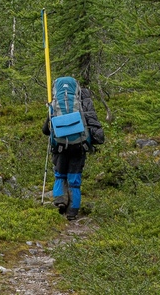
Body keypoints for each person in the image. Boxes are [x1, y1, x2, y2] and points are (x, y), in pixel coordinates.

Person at [43, 80, 104, 221]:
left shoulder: (55, 104)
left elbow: (45, 130)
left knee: (60, 175)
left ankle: (60, 202)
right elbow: (93, 123)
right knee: (74, 180)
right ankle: (72, 212)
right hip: (79, 147)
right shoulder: (84, 101)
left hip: (59, 147)